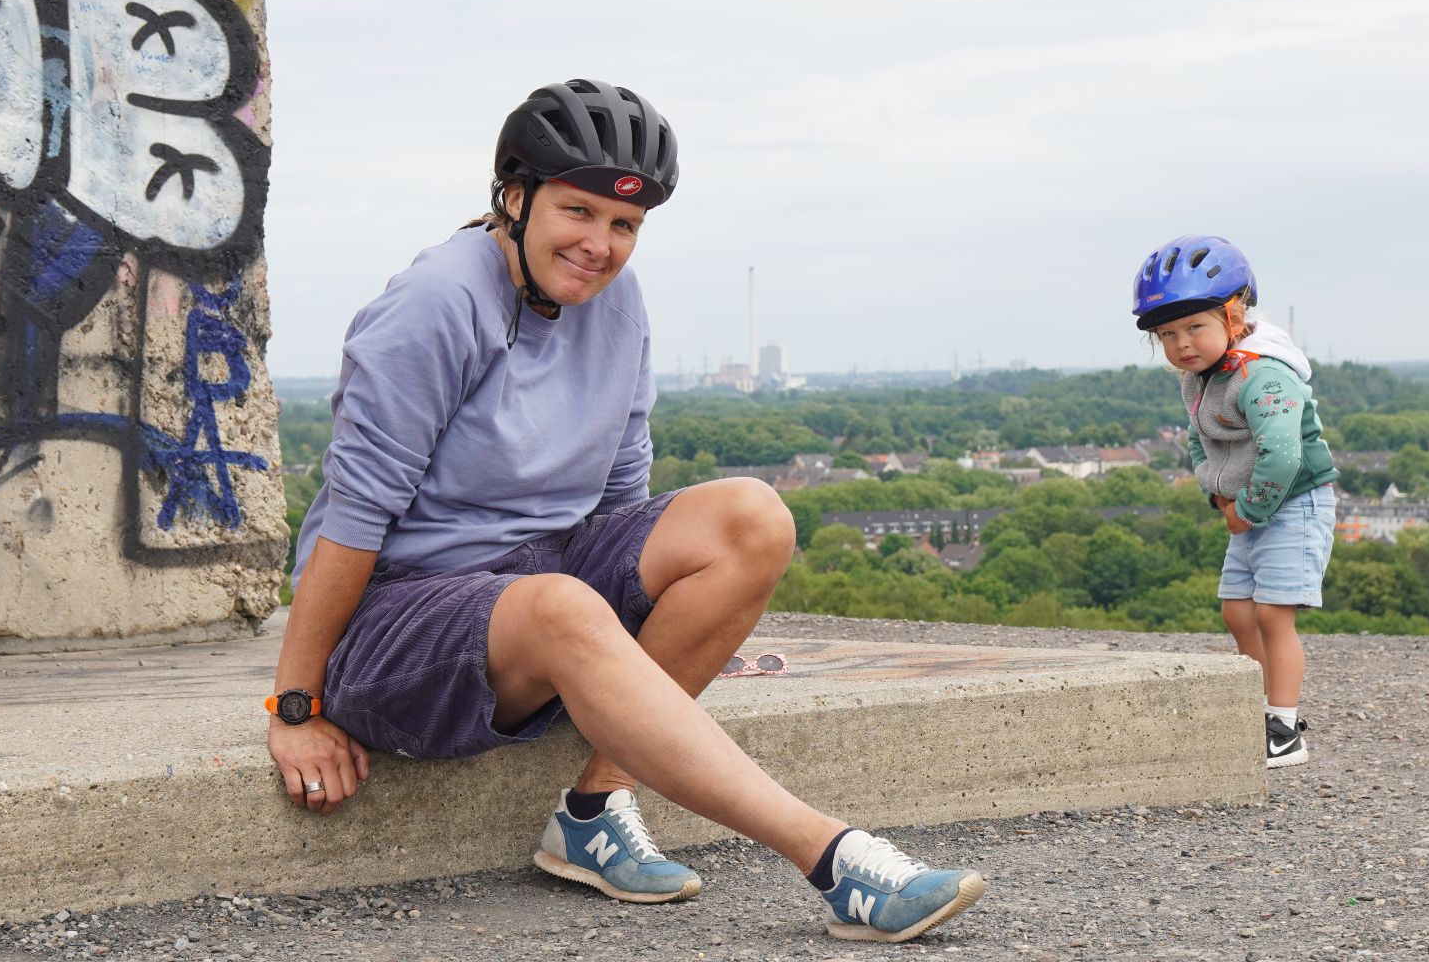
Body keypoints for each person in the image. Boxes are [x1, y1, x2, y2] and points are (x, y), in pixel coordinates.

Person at [267, 78, 985, 943]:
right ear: (515, 196)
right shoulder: (435, 303)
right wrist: (296, 706)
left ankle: (595, 810)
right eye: (578, 212)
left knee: (752, 515)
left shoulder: (617, 303)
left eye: (625, 226)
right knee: (564, 607)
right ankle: (834, 859)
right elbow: (353, 517)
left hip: (537, 583)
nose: (600, 246)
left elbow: (622, 501)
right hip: (398, 618)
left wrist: (645, 644)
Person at [1132, 235, 1338, 768]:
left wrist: (1247, 511)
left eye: (1196, 327)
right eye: (1168, 335)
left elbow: (1284, 453)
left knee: (1273, 613)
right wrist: (1217, 492)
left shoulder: (1263, 374)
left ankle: (1284, 729)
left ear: (1235, 314)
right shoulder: (1198, 379)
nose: (1182, 345)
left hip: (1293, 501)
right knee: (1238, 612)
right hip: (1246, 504)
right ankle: (1254, 708)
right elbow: (1201, 438)